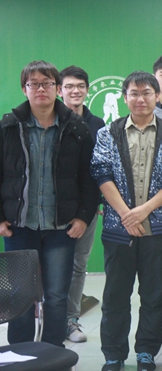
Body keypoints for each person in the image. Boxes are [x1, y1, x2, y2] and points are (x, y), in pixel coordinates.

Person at [91, 71, 162, 371]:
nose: (141, 99)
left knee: (154, 294)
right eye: (134, 93)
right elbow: (101, 173)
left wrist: (144, 210)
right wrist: (126, 214)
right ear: (125, 98)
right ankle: (113, 354)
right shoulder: (108, 132)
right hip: (118, 228)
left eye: (147, 93)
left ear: (157, 96)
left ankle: (146, 351)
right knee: (115, 295)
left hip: (157, 228)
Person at [0, 60, 98, 347]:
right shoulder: (8, 127)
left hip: (61, 227)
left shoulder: (77, 128)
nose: (40, 89)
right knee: (20, 295)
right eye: (34, 84)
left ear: (57, 88)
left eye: (47, 83)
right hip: (20, 226)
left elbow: (89, 177)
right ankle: (20, 354)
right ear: (24, 89)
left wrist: (83, 217)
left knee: (56, 295)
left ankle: (54, 353)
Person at [59, 65, 106, 344]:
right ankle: (48, 317)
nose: (75, 91)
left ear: (87, 90)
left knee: (78, 265)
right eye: (69, 87)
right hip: (53, 209)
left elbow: (100, 167)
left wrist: (98, 200)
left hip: (86, 208)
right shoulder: (50, 120)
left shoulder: (97, 124)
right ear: (60, 90)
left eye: (80, 86)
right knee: (51, 266)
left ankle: (70, 319)